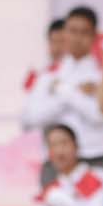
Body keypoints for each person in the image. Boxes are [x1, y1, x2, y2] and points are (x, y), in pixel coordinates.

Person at [29, 6, 103, 173]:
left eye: (84, 32)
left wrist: (62, 91)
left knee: (97, 200)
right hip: (55, 162)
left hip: (93, 158)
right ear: (64, 33)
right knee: (56, 199)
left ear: (94, 36)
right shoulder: (48, 75)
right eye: (72, 31)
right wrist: (74, 92)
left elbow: (99, 115)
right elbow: (33, 118)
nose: (77, 38)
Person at [20, 18, 69, 189]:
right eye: (53, 41)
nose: (57, 48)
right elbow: (27, 120)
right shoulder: (42, 77)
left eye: (62, 42)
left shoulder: (82, 74)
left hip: (79, 159)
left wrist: (61, 94)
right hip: (50, 158)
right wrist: (62, 98)